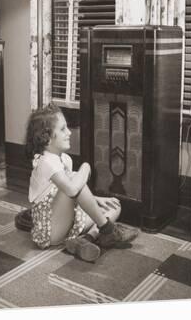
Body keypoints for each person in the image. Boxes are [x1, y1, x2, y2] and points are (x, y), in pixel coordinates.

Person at [25, 103, 138, 262]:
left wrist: (97, 200)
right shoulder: (45, 162)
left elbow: (76, 192)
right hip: (51, 231)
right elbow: (71, 190)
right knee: (74, 179)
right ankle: (107, 230)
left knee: (114, 206)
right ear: (47, 137)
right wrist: (86, 167)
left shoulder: (65, 159)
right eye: (63, 129)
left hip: (68, 222)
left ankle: (84, 241)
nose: (69, 132)